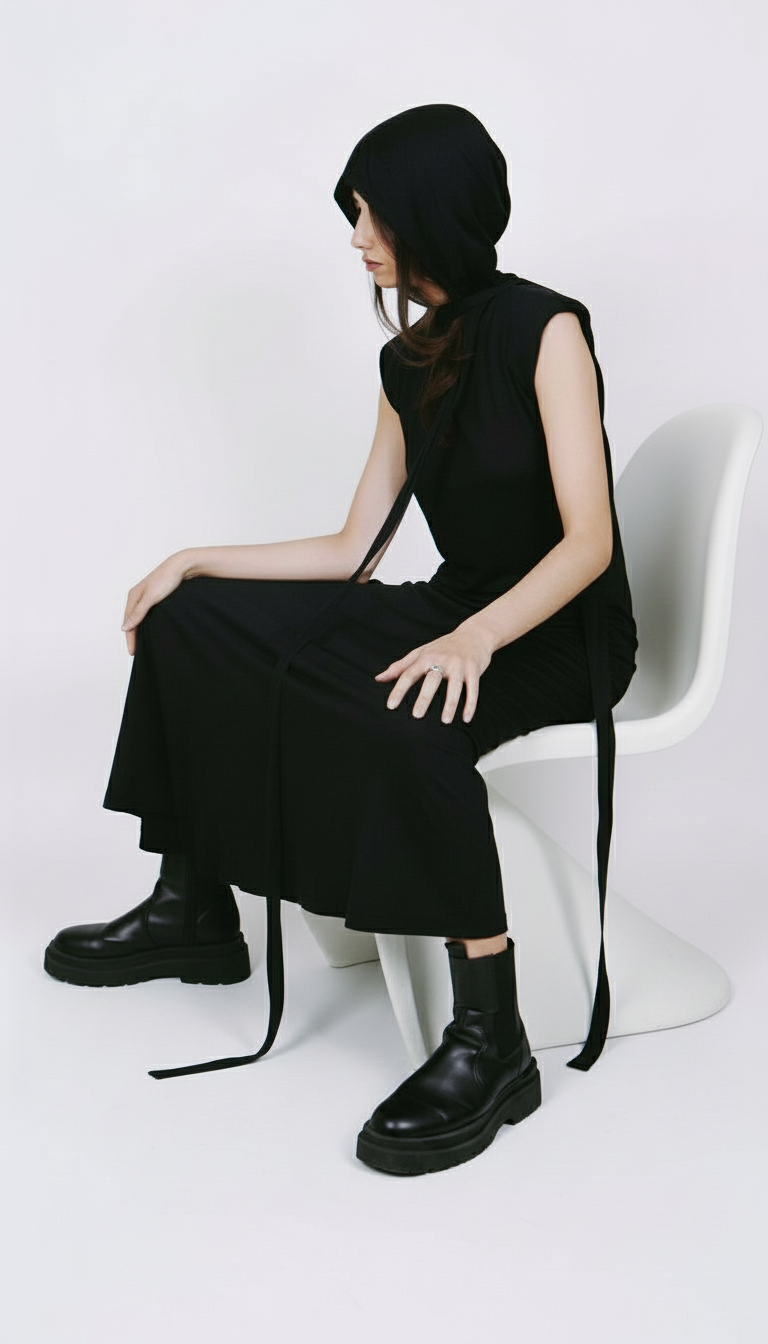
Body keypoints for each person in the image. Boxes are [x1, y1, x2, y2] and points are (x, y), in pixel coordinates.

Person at [44, 104, 637, 1175]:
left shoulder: (548, 329)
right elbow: (356, 544)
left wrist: (475, 641)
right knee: (189, 623)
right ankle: (193, 905)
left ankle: (491, 1036)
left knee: (410, 717)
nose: (358, 237)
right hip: (458, 606)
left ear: (434, 212)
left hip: (558, 632)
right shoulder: (409, 359)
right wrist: (196, 560)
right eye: (354, 215)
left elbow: (589, 541)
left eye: (374, 214)